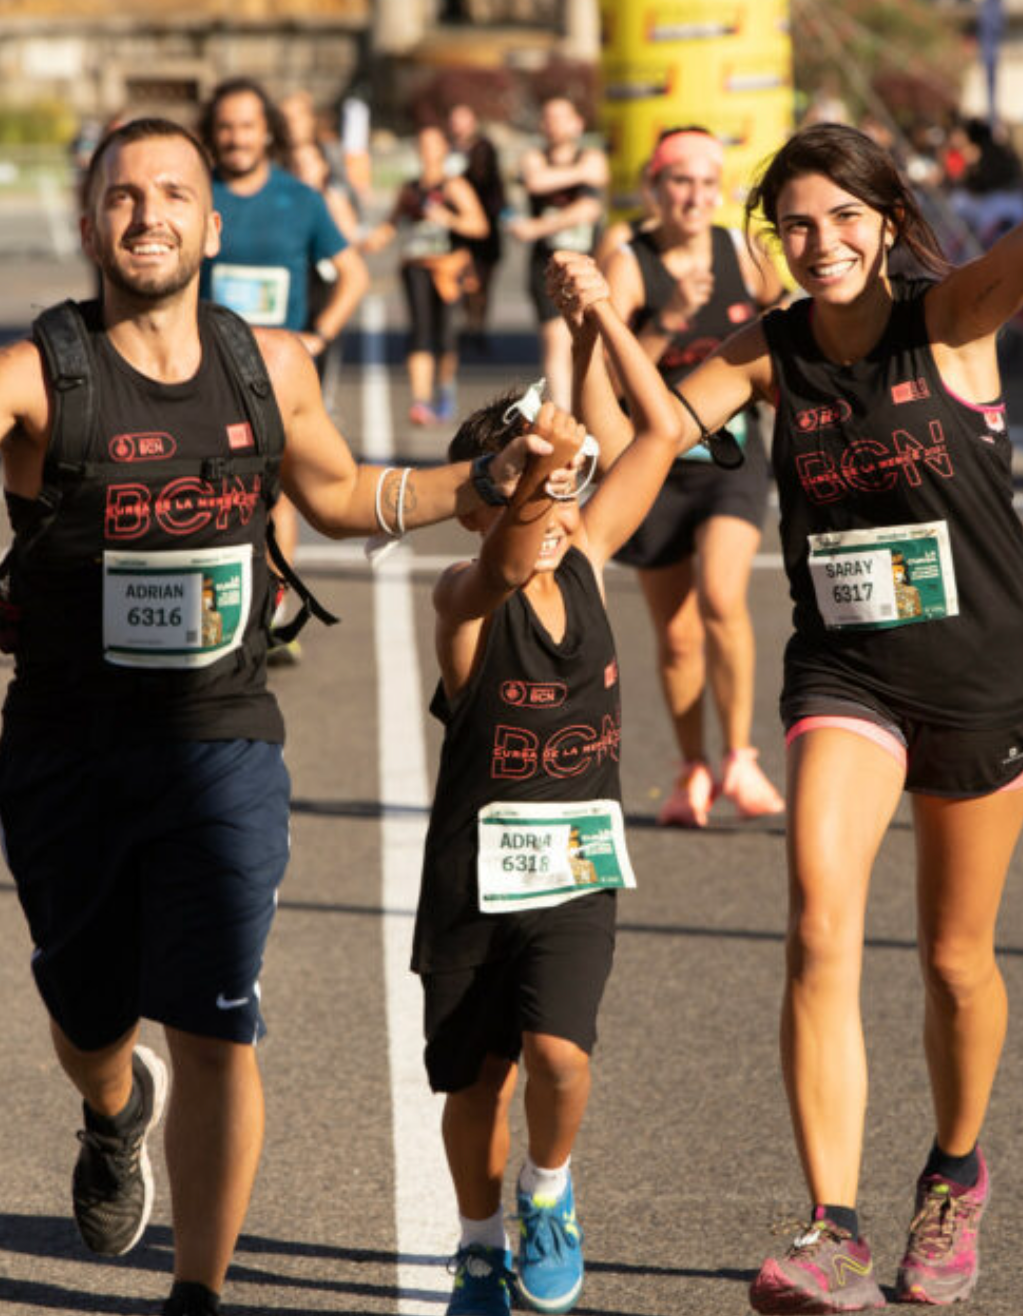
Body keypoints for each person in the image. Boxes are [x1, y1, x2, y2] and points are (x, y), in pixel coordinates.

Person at [0, 117, 545, 1316]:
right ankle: (112, 1104)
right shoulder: (29, 375)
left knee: (216, 1018)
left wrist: (479, 489)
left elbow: (340, 495)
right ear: (89, 225)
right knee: (89, 1014)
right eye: (123, 197)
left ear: (209, 223)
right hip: (66, 749)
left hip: (224, 735)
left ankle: (196, 1290)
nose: (147, 216)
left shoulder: (270, 365)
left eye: (172, 194)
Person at [595, 22, 1023, 1311]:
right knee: (817, 916)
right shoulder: (768, 349)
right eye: (792, 225)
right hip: (845, 674)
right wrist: (589, 383)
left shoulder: (950, 318)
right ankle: (831, 1227)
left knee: (950, 959)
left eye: (836, 217)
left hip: (984, 675)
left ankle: (955, 1172)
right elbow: (658, 425)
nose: (814, 242)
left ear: (881, 220)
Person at [421, 266, 681, 1315]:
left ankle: (548, 1190)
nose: (559, 501)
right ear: (479, 503)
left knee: (561, 1056)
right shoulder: (464, 592)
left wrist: (599, 319)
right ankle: (478, 1244)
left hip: (574, 867)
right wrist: (541, 458)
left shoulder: (590, 552)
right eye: (532, 482)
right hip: (473, 877)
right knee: (474, 1081)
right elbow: (508, 551)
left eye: (566, 481)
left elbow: (660, 428)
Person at [598, 126, 786, 828]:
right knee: (677, 635)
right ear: (655, 187)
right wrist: (667, 322)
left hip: (732, 459)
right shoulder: (629, 262)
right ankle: (691, 769)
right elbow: (610, 376)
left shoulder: (745, 253)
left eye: (708, 185)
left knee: (720, 597)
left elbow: (785, 333)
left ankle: (740, 756)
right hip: (653, 466)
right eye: (680, 182)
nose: (694, 197)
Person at [202, 78, 371, 667]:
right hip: (204, 370)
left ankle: (271, 618)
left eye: (247, 125)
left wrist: (320, 334)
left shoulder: (301, 200)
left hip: (280, 376)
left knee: (277, 496)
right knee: (212, 493)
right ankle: (213, 618)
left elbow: (353, 274)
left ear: (267, 131)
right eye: (225, 126)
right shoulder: (197, 195)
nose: (236, 137)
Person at [364, 124, 490, 425]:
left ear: (444, 149)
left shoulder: (454, 186)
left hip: (447, 269)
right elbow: (391, 223)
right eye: (422, 145)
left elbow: (479, 226)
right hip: (416, 266)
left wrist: (448, 218)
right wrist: (371, 240)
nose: (428, 151)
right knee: (419, 332)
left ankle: (445, 388)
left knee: (446, 335)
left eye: (433, 145)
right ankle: (420, 400)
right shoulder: (409, 189)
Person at [509, 95, 609, 399]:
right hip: (547, 264)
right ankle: (566, 412)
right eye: (548, 118)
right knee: (555, 339)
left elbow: (589, 209)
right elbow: (536, 182)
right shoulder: (533, 157)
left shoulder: (590, 156)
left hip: (589, 262)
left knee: (594, 339)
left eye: (561, 117)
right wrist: (576, 185)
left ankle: (592, 407)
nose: (553, 124)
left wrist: (537, 227)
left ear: (577, 123)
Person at [447, 102, 508, 357]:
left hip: (485, 227)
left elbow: (489, 182)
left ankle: (478, 327)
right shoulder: (447, 150)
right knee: (464, 280)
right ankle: (469, 324)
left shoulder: (483, 148)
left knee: (483, 281)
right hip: (458, 229)